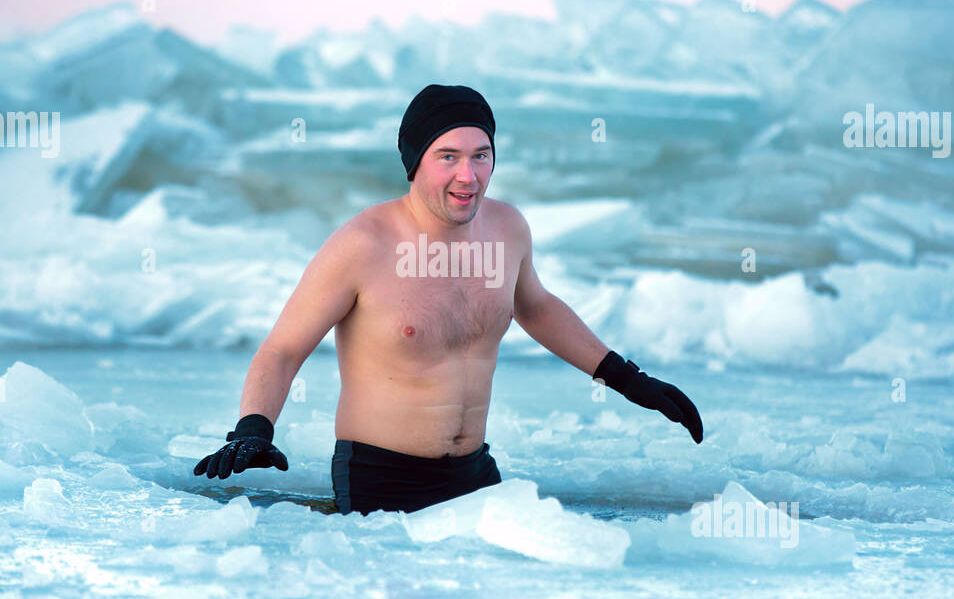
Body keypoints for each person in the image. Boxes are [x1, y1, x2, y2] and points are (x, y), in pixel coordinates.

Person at [194, 83, 703, 514]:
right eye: (449, 157)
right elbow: (282, 348)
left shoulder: (506, 228)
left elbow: (536, 306)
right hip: (382, 482)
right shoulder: (363, 244)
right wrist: (253, 429)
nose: (469, 176)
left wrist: (628, 378)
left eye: (481, 156)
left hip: (475, 474)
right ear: (415, 164)